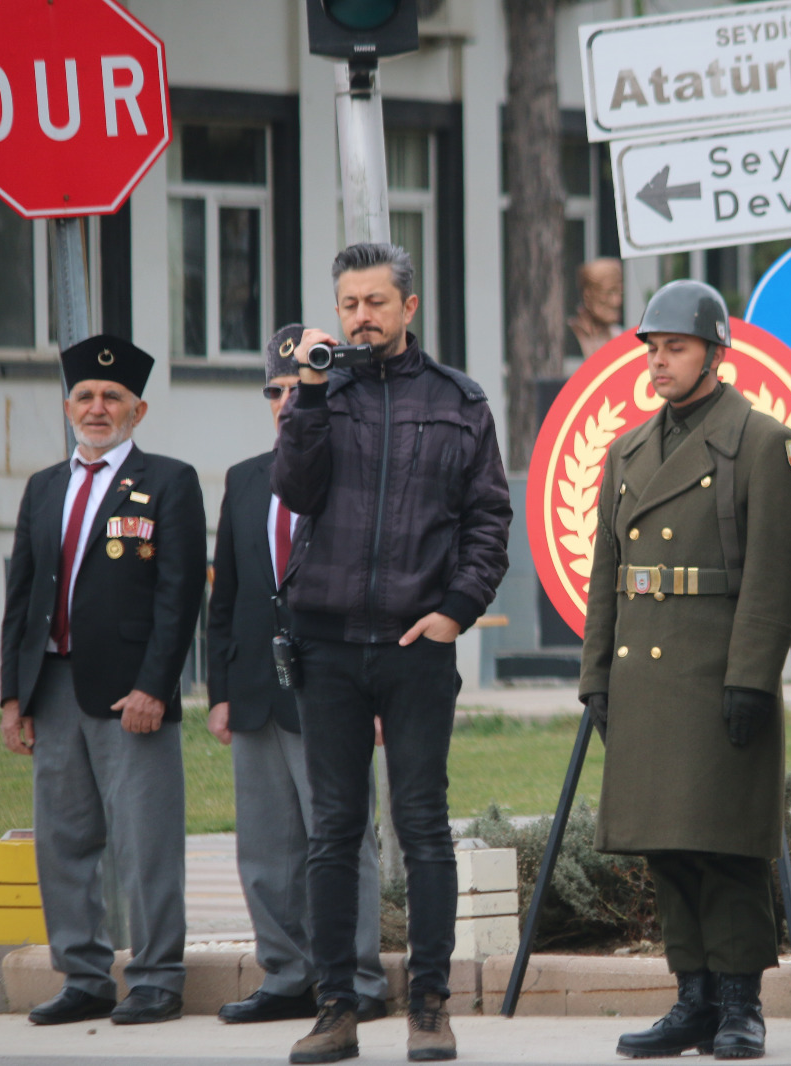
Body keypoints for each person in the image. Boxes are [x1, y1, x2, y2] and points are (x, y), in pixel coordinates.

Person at [275, 242, 511, 1065]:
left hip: (416, 645)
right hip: (328, 644)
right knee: (334, 829)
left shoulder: (459, 401)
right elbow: (296, 491)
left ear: (410, 309)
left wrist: (456, 612)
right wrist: (307, 392)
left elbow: (489, 521)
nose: (361, 317)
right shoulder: (318, 394)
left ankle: (431, 1005)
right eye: (349, 304)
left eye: (376, 302)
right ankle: (335, 1006)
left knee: (422, 828)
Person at [578, 280, 791, 1060]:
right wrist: (596, 675)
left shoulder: (763, 442)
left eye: (675, 347)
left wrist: (751, 675)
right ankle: (693, 998)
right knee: (666, 844)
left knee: (726, 842)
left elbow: (777, 574)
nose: (659, 362)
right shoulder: (627, 449)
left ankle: (741, 1003)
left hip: (717, 670)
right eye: (652, 349)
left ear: (715, 354)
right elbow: (607, 571)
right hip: (645, 673)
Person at [0, 335, 206, 1026]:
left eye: (112, 396)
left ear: (137, 410)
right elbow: (22, 598)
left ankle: (156, 978)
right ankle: (83, 975)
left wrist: (156, 685)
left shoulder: (170, 482)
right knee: (63, 839)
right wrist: (12, 695)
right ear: (68, 406)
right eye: (85, 396)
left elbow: (179, 598)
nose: (97, 407)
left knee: (146, 841)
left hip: (131, 695)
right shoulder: (43, 487)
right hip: (53, 687)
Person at [206, 325, 388, 1025]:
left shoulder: (351, 469)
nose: (285, 402)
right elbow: (227, 599)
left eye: (296, 388)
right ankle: (286, 974)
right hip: (255, 690)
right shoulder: (246, 478)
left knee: (342, 837)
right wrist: (220, 691)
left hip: (334, 685)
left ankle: (362, 977)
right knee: (265, 846)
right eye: (274, 392)